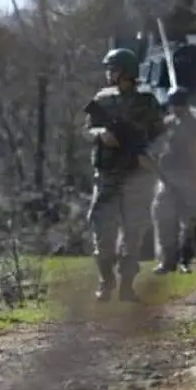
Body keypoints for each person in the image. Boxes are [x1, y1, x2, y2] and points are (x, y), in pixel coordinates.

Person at [83, 47, 164, 302]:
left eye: (113, 68)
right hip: (107, 173)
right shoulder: (102, 99)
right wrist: (100, 134)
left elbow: (160, 135)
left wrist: (149, 155)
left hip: (137, 175)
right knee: (102, 230)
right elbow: (87, 129)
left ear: (126, 72)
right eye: (108, 68)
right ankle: (106, 282)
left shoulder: (146, 101)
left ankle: (127, 285)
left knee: (133, 232)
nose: (109, 73)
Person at [151, 86, 196, 275]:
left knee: (189, 222)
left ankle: (185, 260)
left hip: (190, 176)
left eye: (179, 105)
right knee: (164, 219)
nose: (176, 109)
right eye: (173, 105)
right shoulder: (166, 125)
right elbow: (156, 146)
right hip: (166, 176)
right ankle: (167, 261)